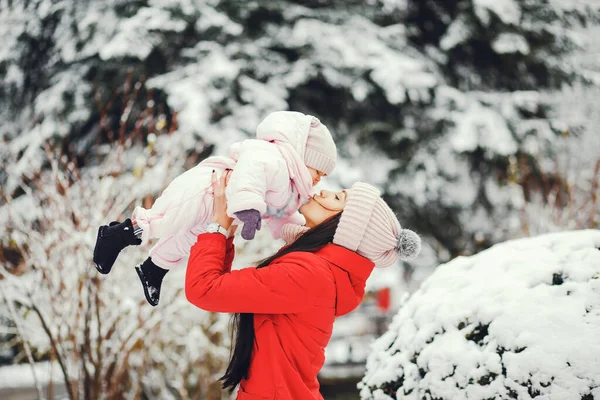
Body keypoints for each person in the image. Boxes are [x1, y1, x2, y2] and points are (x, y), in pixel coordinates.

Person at [185, 171, 421, 399]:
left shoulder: (308, 274)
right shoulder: (318, 272)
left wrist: (218, 225)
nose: (324, 192)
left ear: (346, 228)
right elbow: (218, 288)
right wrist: (225, 232)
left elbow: (203, 288)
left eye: (338, 198)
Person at [92, 111, 337, 306]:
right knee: (166, 220)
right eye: (318, 172)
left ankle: (153, 269)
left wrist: (299, 234)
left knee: (186, 241)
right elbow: (251, 175)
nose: (318, 180)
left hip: (218, 209)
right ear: (305, 158)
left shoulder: (290, 189)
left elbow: (281, 216)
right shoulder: (273, 157)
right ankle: (116, 235)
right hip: (205, 189)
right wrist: (249, 209)